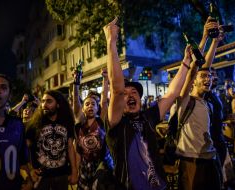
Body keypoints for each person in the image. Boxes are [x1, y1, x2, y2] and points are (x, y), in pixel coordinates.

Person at [103, 18, 192, 190]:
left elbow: (172, 93)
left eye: (134, 92)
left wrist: (186, 62)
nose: (129, 95)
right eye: (126, 93)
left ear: (140, 99)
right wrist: (111, 42)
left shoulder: (148, 117)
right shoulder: (116, 124)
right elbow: (117, 90)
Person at [175, 18, 224, 190]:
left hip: (211, 159)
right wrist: (204, 38)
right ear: (193, 81)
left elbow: (205, 66)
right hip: (191, 162)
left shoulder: (207, 102)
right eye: (204, 76)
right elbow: (198, 66)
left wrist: (215, 42)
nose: (208, 79)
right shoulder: (185, 100)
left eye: (210, 77)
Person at [26, 90, 77, 190]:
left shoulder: (66, 121)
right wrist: (31, 169)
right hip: (41, 176)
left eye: (49, 101)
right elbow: (26, 147)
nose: (44, 104)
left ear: (58, 104)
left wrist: (74, 171)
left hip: (61, 174)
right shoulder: (34, 124)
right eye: (43, 101)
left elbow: (70, 147)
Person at [0, 74, 32, 190]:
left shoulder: (17, 124)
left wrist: (28, 179)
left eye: (3, 87)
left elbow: (22, 161)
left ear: (10, 95)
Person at [72, 69, 113, 190]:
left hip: (102, 164)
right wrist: (76, 82)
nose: (90, 106)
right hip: (85, 166)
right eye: (87, 104)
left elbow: (104, 101)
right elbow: (78, 152)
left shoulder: (101, 121)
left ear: (97, 109)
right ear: (83, 109)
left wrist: (105, 79)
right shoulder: (79, 125)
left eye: (93, 104)